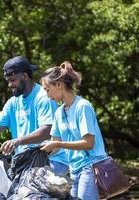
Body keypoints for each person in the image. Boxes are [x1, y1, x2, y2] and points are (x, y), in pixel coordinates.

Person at [0, 56, 68, 175]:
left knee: (32, 192)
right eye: (8, 81)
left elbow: (47, 131)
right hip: (26, 163)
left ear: (25, 76)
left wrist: (17, 141)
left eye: (13, 80)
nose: (9, 85)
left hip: (51, 161)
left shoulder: (44, 98)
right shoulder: (13, 102)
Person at [40, 61, 107, 200]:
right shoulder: (59, 112)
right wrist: (37, 152)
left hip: (91, 167)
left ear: (59, 85)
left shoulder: (83, 106)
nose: (47, 95)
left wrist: (57, 145)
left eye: (47, 89)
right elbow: (55, 143)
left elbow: (88, 143)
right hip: (74, 170)